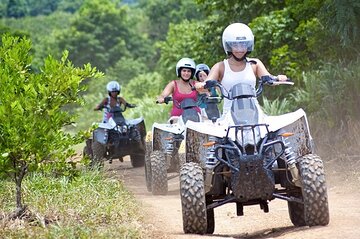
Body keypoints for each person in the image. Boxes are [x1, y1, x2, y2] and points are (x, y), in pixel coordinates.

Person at [195, 23, 287, 115]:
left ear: (248, 45)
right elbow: (206, 83)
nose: (240, 49)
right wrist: (200, 85)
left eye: (243, 44)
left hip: (255, 112)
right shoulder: (220, 66)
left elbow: (269, 78)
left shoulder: (255, 64)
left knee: (281, 128)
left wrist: (278, 78)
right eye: (235, 45)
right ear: (229, 46)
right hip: (229, 116)